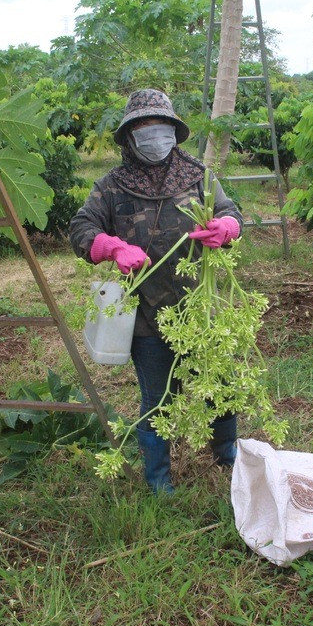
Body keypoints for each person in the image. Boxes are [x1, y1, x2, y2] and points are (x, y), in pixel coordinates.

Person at [69, 89, 242, 494]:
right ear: (130, 136)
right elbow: (80, 229)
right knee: (157, 401)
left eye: (160, 128)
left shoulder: (199, 177)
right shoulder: (111, 186)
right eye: (144, 129)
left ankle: (228, 457)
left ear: (174, 132)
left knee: (221, 388)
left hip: (201, 309)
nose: (154, 137)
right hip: (146, 316)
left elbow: (231, 212)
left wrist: (227, 229)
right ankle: (159, 484)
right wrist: (112, 247)